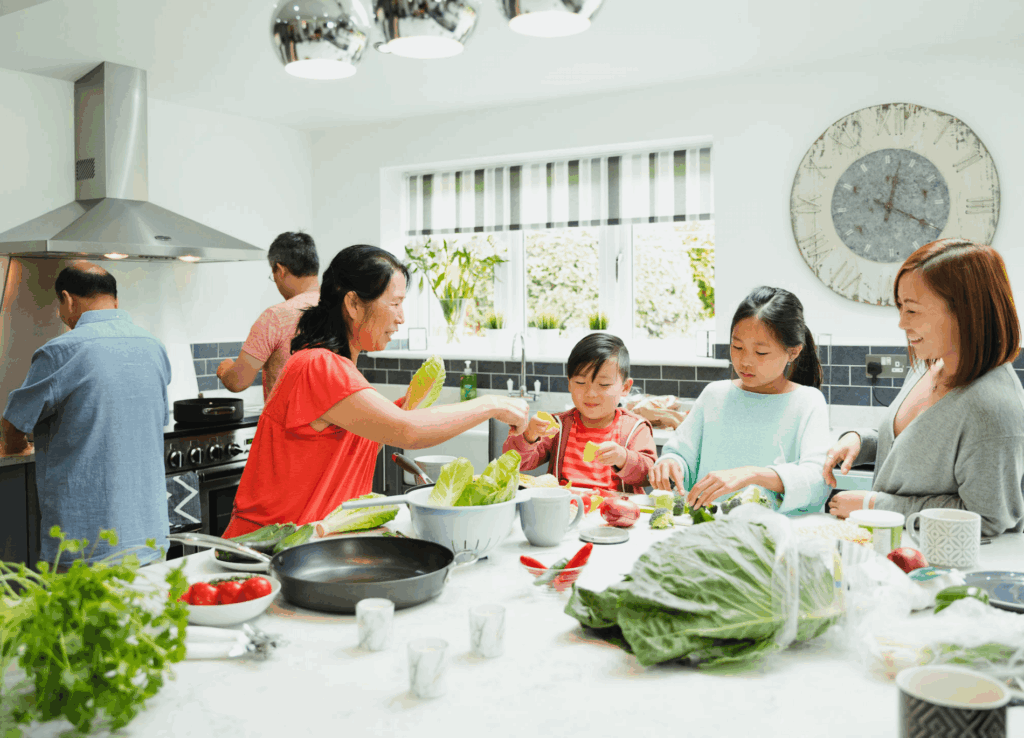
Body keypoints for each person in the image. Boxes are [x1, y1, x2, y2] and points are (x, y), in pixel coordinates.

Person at [222, 244, 530, 537]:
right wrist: (491, 404)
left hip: (305, 547)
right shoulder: (317, 366)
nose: (401, 317)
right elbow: (406, 431)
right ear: (354, 304)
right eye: (395, 303)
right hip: (265, 552)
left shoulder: (334, 369)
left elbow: (388, 428)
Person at [824, 239, 1024, 537]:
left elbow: (988, 518)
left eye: (913, 311)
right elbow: (916, 450)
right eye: (900, 308)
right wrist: (861, 442)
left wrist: (875, 505)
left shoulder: (992, 409)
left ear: (965, 311)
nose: (902, 324)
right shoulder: (928, 366)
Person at [0, 262, 171, 565]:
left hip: (88, 544)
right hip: (150, 535)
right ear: (114, 300)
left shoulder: (60, 351)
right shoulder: (154, 346)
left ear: (67, 299)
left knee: (82, 613)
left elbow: (14, 424)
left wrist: (17, 447)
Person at [651, 286, 830, 515]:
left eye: (761, 353)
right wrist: (670, 463)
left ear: (793, 352)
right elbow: (681, 455)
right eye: (737, 347)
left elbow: (817, 481)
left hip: (775, 539)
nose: (745, 361)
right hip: (710, 532)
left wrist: (751, 475)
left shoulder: (807, 402)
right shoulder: (714, 395)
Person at [503, 333, 656, 495]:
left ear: (625, 388)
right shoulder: (558, 426)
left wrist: (623, 458)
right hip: (566, 509)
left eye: (603, 385)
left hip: (614, 513)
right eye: (581, 383)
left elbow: (648, 475)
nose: (590, 393)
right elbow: (516, 464)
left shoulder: (636, 428)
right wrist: (529, 435)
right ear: (569, 383)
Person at [217, 231, 321, 401]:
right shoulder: (338, 309)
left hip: (287, 425)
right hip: (333, 424)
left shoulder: (276, 317)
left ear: (280, 270)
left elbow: (238, 381)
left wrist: (226, 370)